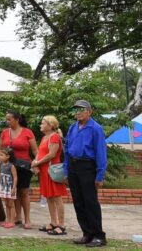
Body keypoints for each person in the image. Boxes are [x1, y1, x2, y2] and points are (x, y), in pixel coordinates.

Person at [63, 100, 108, 247]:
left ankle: (99, 236)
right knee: (78, 202)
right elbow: (67, 150)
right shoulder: (72, 127)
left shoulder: (96, 128)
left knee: (90, 202)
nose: (78, 112)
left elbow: (101, 152)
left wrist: (100, 175)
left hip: (87, 167)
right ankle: (87, 233)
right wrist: (66, 170)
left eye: (81, 109)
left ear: (89, 111)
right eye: (76, 110)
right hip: (73, 167)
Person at [0, 110, 38, 229]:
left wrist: (36, 163)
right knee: (13, 192)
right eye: (6, 119)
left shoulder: (27, 132)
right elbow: (0, 148)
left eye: (9, 119)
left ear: (17, 120)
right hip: (9, 167)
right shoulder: (5, 132)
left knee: (24, 192)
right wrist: (0, 162)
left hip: (24, 166)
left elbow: (35, 150)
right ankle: (17, 217)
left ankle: (27, 219)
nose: (7, 121)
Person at [33, 115, 68, 236]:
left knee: (57, 197)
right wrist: (35, 162)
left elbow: (52, 154)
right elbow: (40, 153)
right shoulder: (44, 138)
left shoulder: (54, 137)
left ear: (50, 125)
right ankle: (53, 222)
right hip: (44, 170)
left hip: (52, 170)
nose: (41, 125)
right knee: (49, 197)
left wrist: (37, 162)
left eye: (43, 123)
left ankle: (61, 225)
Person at [0, 147, 18, 229]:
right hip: (3, 187)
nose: (0, 157)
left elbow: (15, 177)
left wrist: (14, 188)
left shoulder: (11, 166)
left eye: (2, 155)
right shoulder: (1, 164)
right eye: (0, 155)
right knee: (6, 204)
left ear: (8, 156)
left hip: (9, 187)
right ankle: (8, 220)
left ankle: (12, 221)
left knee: (11, 204)